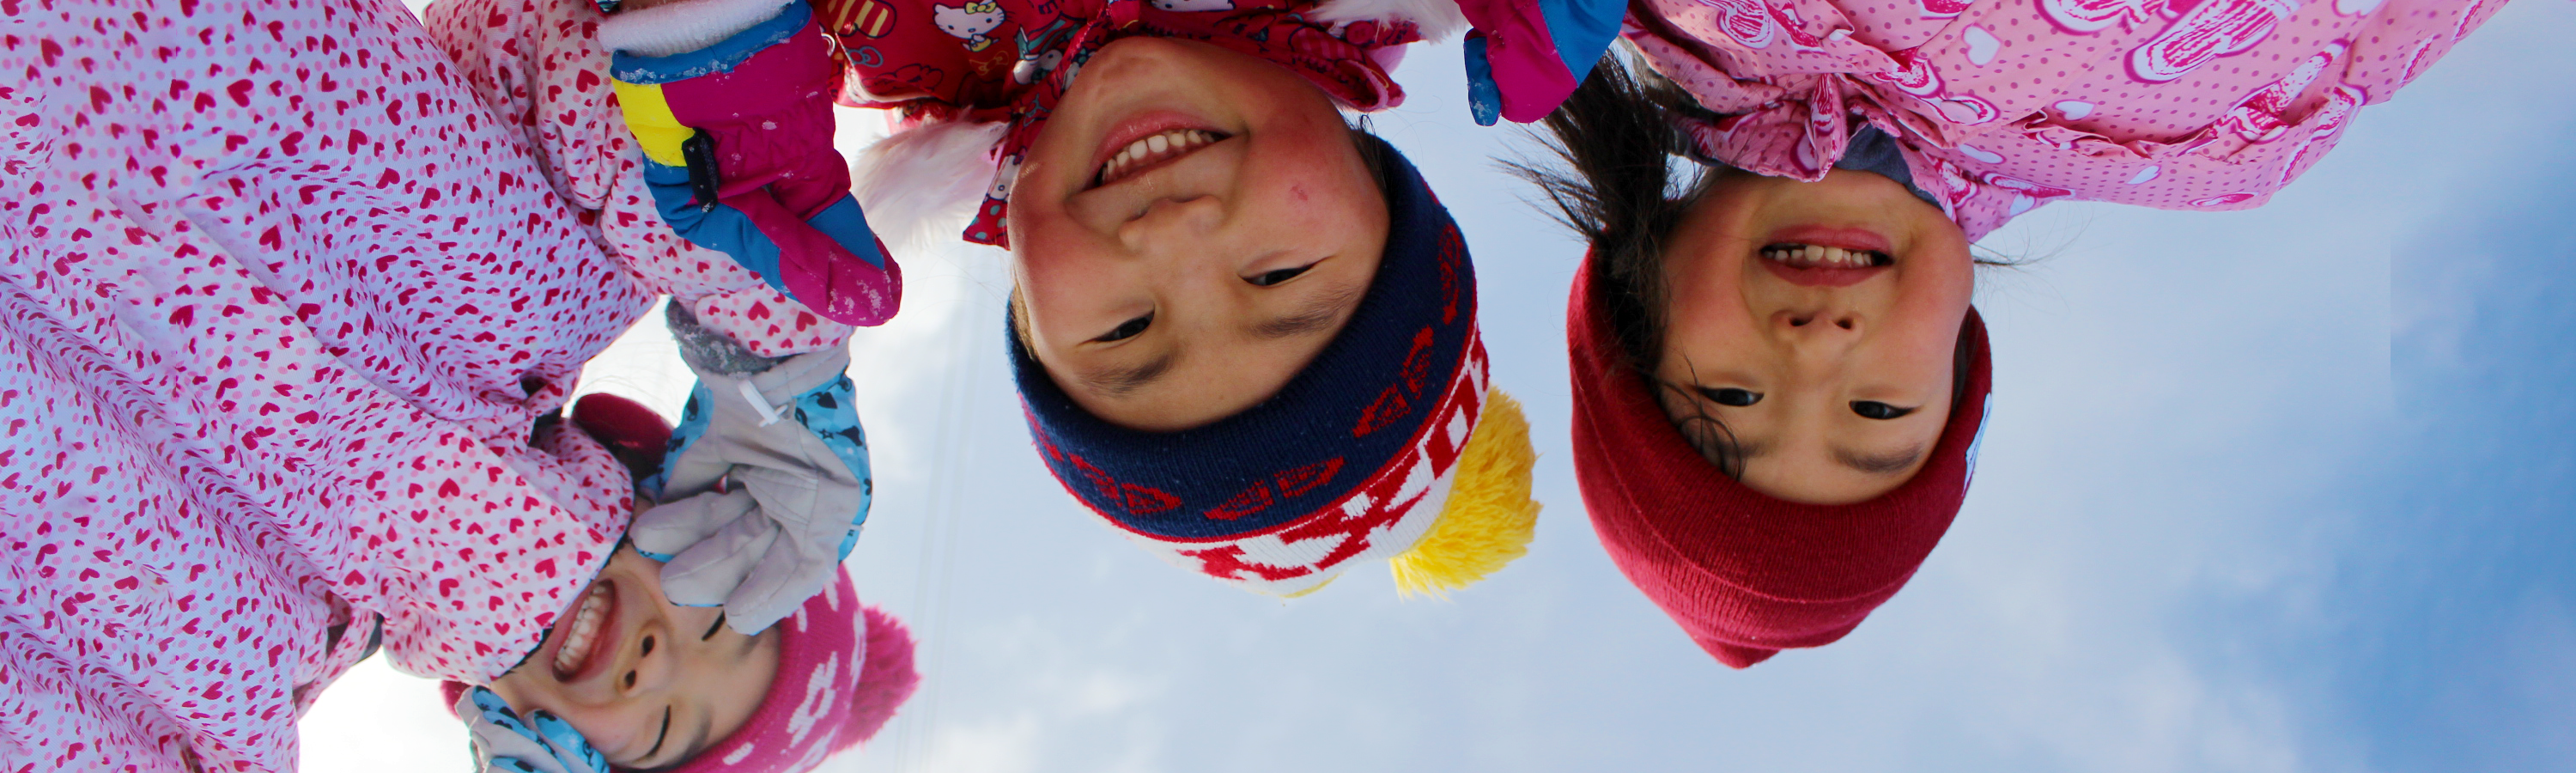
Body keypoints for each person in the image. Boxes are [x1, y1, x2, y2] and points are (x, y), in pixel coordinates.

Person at [1, 0, 903, 768]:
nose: (654, 664)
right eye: (720, 609)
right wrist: (775, 348)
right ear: (704, 486)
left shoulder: (217, 698)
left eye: (662, 730)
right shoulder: (542, 284)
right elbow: (585, 51)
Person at [1510, 0, 2505, 666]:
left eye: (1730, 398)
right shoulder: (2221, 152)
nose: (1814, 350)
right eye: (1878, 409)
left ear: (1634, 302)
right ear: (1956, 377)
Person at [578, 0, 1619, 597]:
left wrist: (706, 50)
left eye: (1127, 327)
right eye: (1278, 277)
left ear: (1027, 304)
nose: (1169, 238)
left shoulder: (869, 66)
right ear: (1385, 191)